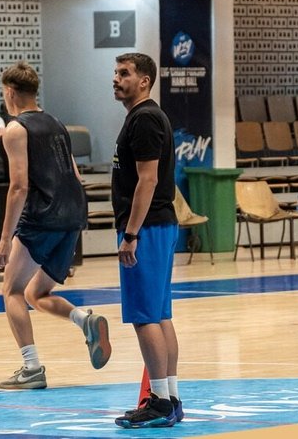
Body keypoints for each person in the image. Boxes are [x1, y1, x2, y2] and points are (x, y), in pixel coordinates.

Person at [0, 62, 108, 390]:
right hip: (73, 216)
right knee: (36, 293)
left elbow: (19, 187)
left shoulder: (15, 129)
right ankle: (84, 320)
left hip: (43, 216)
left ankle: (31, 368)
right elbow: (75, 174)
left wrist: (5, 238)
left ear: (10, 92)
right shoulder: (57, 123)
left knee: (12, 290)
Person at [109, 53, 181, 428]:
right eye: (115, 73)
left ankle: (160, 402)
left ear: (144, 81)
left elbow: (147, 180)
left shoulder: (145, 119)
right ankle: (170, 397)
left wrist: (131, 234)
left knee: (145, 317)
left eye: (124, 73)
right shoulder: (145, 117)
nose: (116, 79)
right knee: (160, 315)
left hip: (147, 229)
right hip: (157, 226)